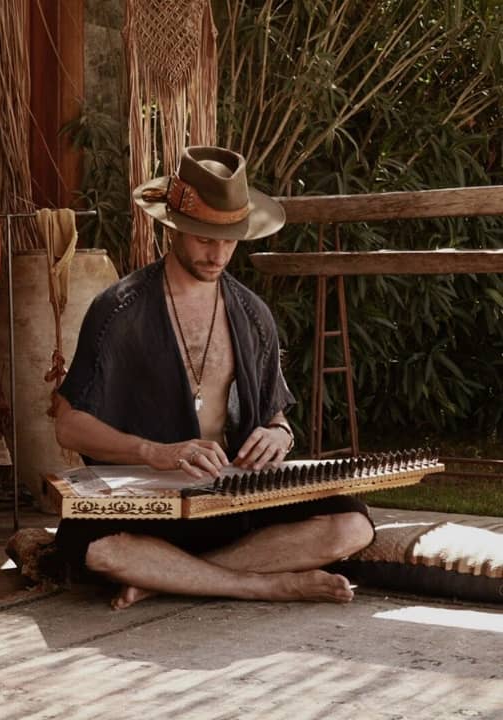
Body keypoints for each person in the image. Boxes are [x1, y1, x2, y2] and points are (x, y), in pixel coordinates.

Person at [51, 145, 375, 609]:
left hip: (233, 501)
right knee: (94, 546)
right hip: (151, 508)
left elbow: (277, 417)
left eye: (229, 239)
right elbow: (68, 426)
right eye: (205, 238)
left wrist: (278, 436)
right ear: (173, 227)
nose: (218, 254)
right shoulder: (119, 311)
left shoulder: (253, 315)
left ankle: (167, 577)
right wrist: (155, 452)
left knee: (352, 524)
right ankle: (262, 584)